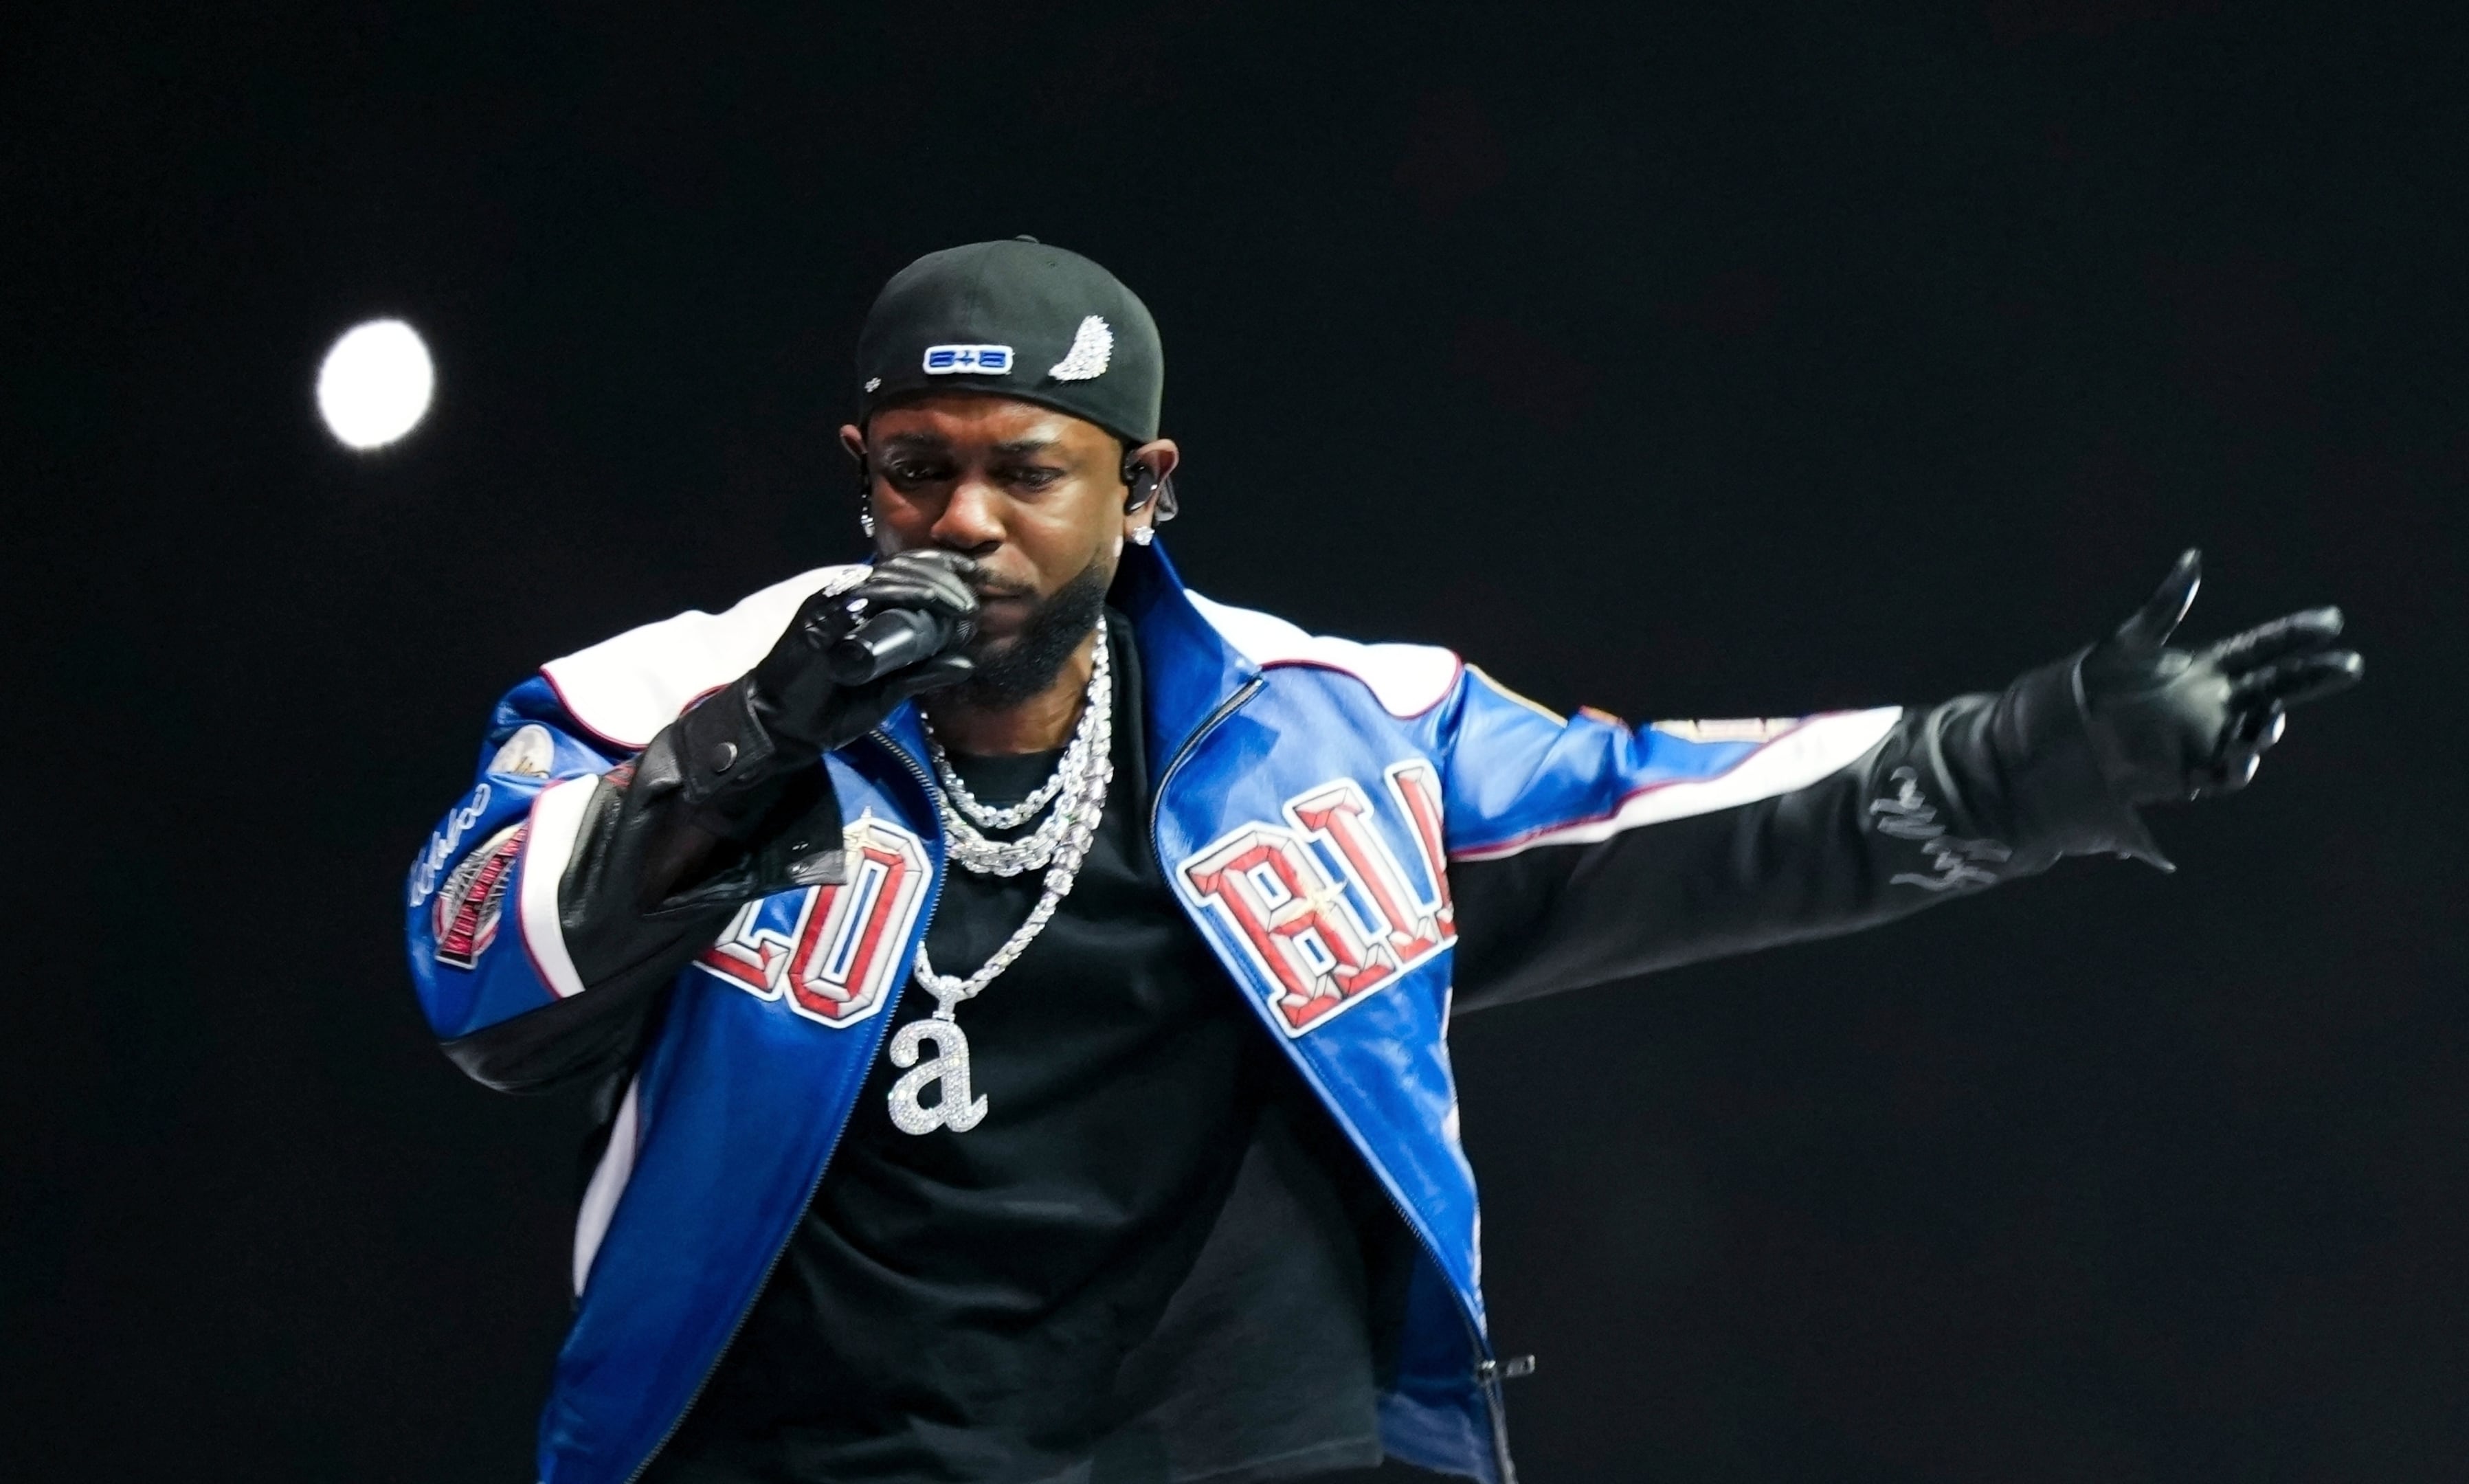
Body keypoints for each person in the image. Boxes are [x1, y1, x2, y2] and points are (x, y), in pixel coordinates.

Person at [403, 238, 2362, 1484]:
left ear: (1143, 488)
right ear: (862, 465)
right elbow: (476, 974)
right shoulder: (670, 693)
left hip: (1238, 1438)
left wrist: (2040, 754)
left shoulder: (1336, 731)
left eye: (1029, 470)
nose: (969, 520)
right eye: (922, 468)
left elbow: (1657, 808)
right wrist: (748, 745)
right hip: (822, 1439)